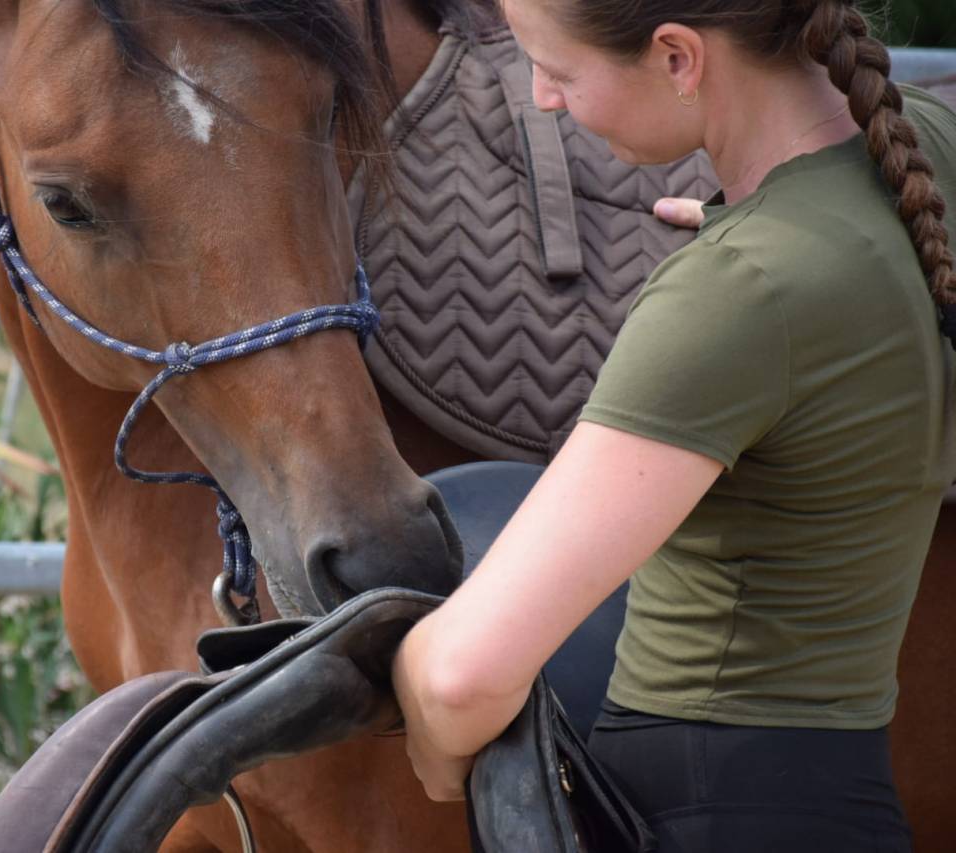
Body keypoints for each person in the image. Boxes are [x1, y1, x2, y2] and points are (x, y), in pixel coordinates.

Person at [391, 1, 956, 850]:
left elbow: (462, 679)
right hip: (844, 804)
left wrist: (408, 683)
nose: (542, 96)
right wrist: (781, 247)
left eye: (559, 70)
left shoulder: (740, 292)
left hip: (691, 814)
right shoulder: (927, 148)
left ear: (678, 58)